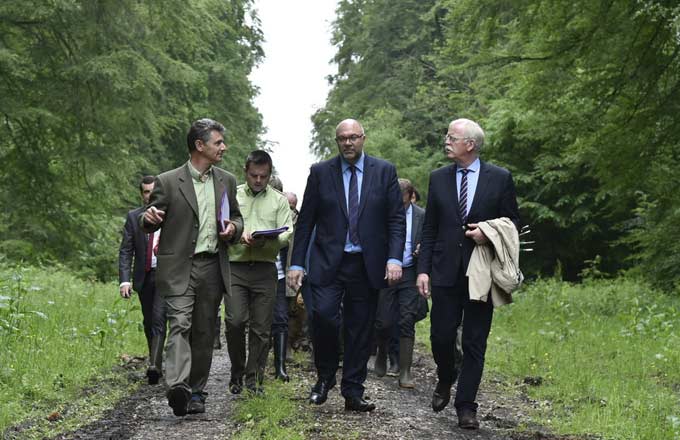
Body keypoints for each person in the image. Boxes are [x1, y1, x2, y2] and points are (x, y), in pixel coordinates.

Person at [287, 118, 405, 412]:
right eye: (343, 138)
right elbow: (306, 222)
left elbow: (395, 219)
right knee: (323, 318)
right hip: (328, 262)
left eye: (354, 137)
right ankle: (325, 377)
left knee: (360, 329)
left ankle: (353, 390)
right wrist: (297, 263)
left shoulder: (385, 171)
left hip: (367, 263)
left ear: (363, 138)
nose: (348, 143)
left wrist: (393, 258)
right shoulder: (320, 173)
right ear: (337, 141)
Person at [417, 118, 520, 429]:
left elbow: (512, 223)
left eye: (452, 137)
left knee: (475, 341)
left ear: (470, 145)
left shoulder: (500, 178)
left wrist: (486, 234)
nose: (446, 141)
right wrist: (423, 272)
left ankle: (466, 406)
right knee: (441, 337)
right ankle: (446, 376)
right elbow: (430, 227)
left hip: (481, 272)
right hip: (444, 270)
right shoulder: (438, 178)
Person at [141, 118, 243, 417]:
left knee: (203, 331)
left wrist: (233, 230)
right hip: (178, 266)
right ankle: (177, 386)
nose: (223, 147)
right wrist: (149, 220)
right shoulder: (168, 180)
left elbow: (237, 218)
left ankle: (196, 391)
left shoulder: (226, 180)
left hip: (212, 266)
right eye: (218, 143)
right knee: (180, 324)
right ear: (200, 145)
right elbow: (149, 217)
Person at [225, 150, 293, 395]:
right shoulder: (231, 195)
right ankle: (237, 371)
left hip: (265, 267)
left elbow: (287, 232)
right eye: (254, 175)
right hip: (235, 266)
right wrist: (234, 233)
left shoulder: (278, 200)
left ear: (269, 175)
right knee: (234, 321)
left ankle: (254, 380)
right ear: (246, 172)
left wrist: (269, 239)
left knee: (261, 327)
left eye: (263, 176)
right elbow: (220, 223)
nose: (258, 180)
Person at [374, 178, 424, 389]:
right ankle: (382, 351)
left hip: (410, 271)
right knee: (384, 320)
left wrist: (423, 250)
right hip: (386, 271)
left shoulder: (421, 215)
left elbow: (430, 238)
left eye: (402, 201)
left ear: (410, 196)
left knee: (407, 318)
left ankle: (405, 371)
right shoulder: (381, 213)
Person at [118, 175, 167, 385]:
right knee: (148, 320)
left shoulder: (170, 215)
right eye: (146, 192)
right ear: (142, 194)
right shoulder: (133, 217)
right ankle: (155, 360)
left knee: (158, 317)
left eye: (153, 191)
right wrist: (125, 280)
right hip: (144, 275)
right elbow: (126, 250)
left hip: (166, 274)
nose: (150, 195)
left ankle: (154, 366)